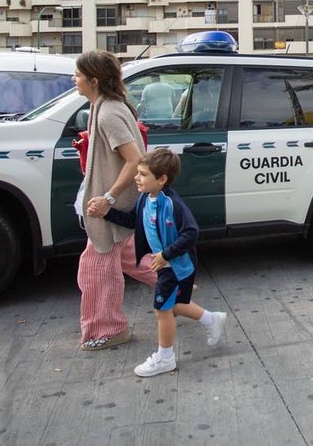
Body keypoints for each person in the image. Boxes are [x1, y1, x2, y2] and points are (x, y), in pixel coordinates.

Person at [90, 148, 227, 377]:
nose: (136, 177)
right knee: (173, 305)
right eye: (138, 172)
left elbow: (191, 232)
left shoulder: (173, 204)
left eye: (143, 174)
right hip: (166, 265)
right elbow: (132, 220)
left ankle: (165, 358)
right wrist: (106, 213)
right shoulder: (145, 198)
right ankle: (212, 319)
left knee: (162, 310)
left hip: (176, 266)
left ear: (162, 179)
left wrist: (165, 255)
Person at [77, 50, 158, 351]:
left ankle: (108, 330)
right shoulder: (108, 107)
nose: (74, 80)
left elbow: (134, 159)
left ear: (94, 80)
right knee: (131, 257)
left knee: (96, 270)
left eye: (78, 75)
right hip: (116, 203)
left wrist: (108, 198)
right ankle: (176, 284)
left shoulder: (108, 113)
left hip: (112, 205)